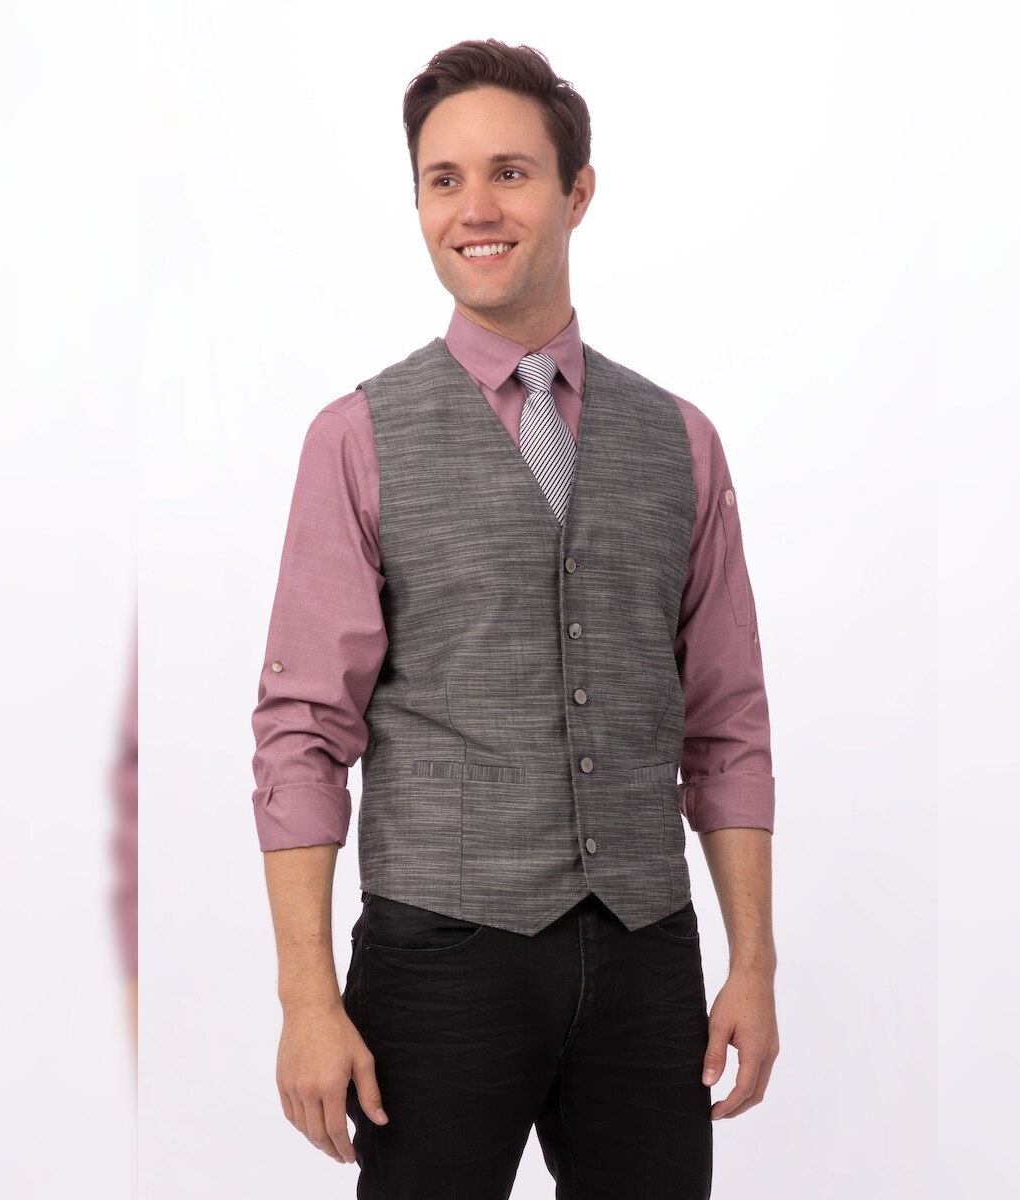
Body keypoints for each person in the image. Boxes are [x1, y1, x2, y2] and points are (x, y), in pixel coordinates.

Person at [251, 38, 778, 1199]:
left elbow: (727, 724)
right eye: (443, 180)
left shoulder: (682, 440)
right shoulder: (356, 438)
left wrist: (753, 962)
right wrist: (306, 998)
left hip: (647, 956)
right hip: (439, 957)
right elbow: (301, 733)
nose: (475, 209)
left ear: (577, 192)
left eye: (510, 173)